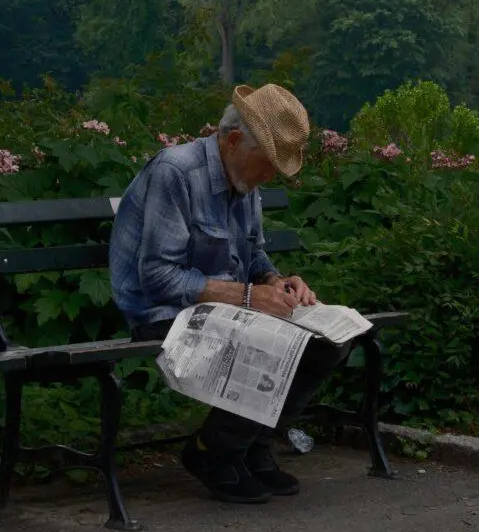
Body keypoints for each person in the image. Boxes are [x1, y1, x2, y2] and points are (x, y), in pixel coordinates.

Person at [109, 83, 346, 504]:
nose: (271, 176)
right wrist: (252, 298)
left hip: (222, 307)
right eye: (269, 162)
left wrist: (277, 283)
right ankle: (212, 453)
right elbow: (158, 278)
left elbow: (252, 255)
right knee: (265, 339)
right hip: (161, 310)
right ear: (234, 140)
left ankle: (252, 446)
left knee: (325, 345)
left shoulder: (243, 179)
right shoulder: (176, 172)